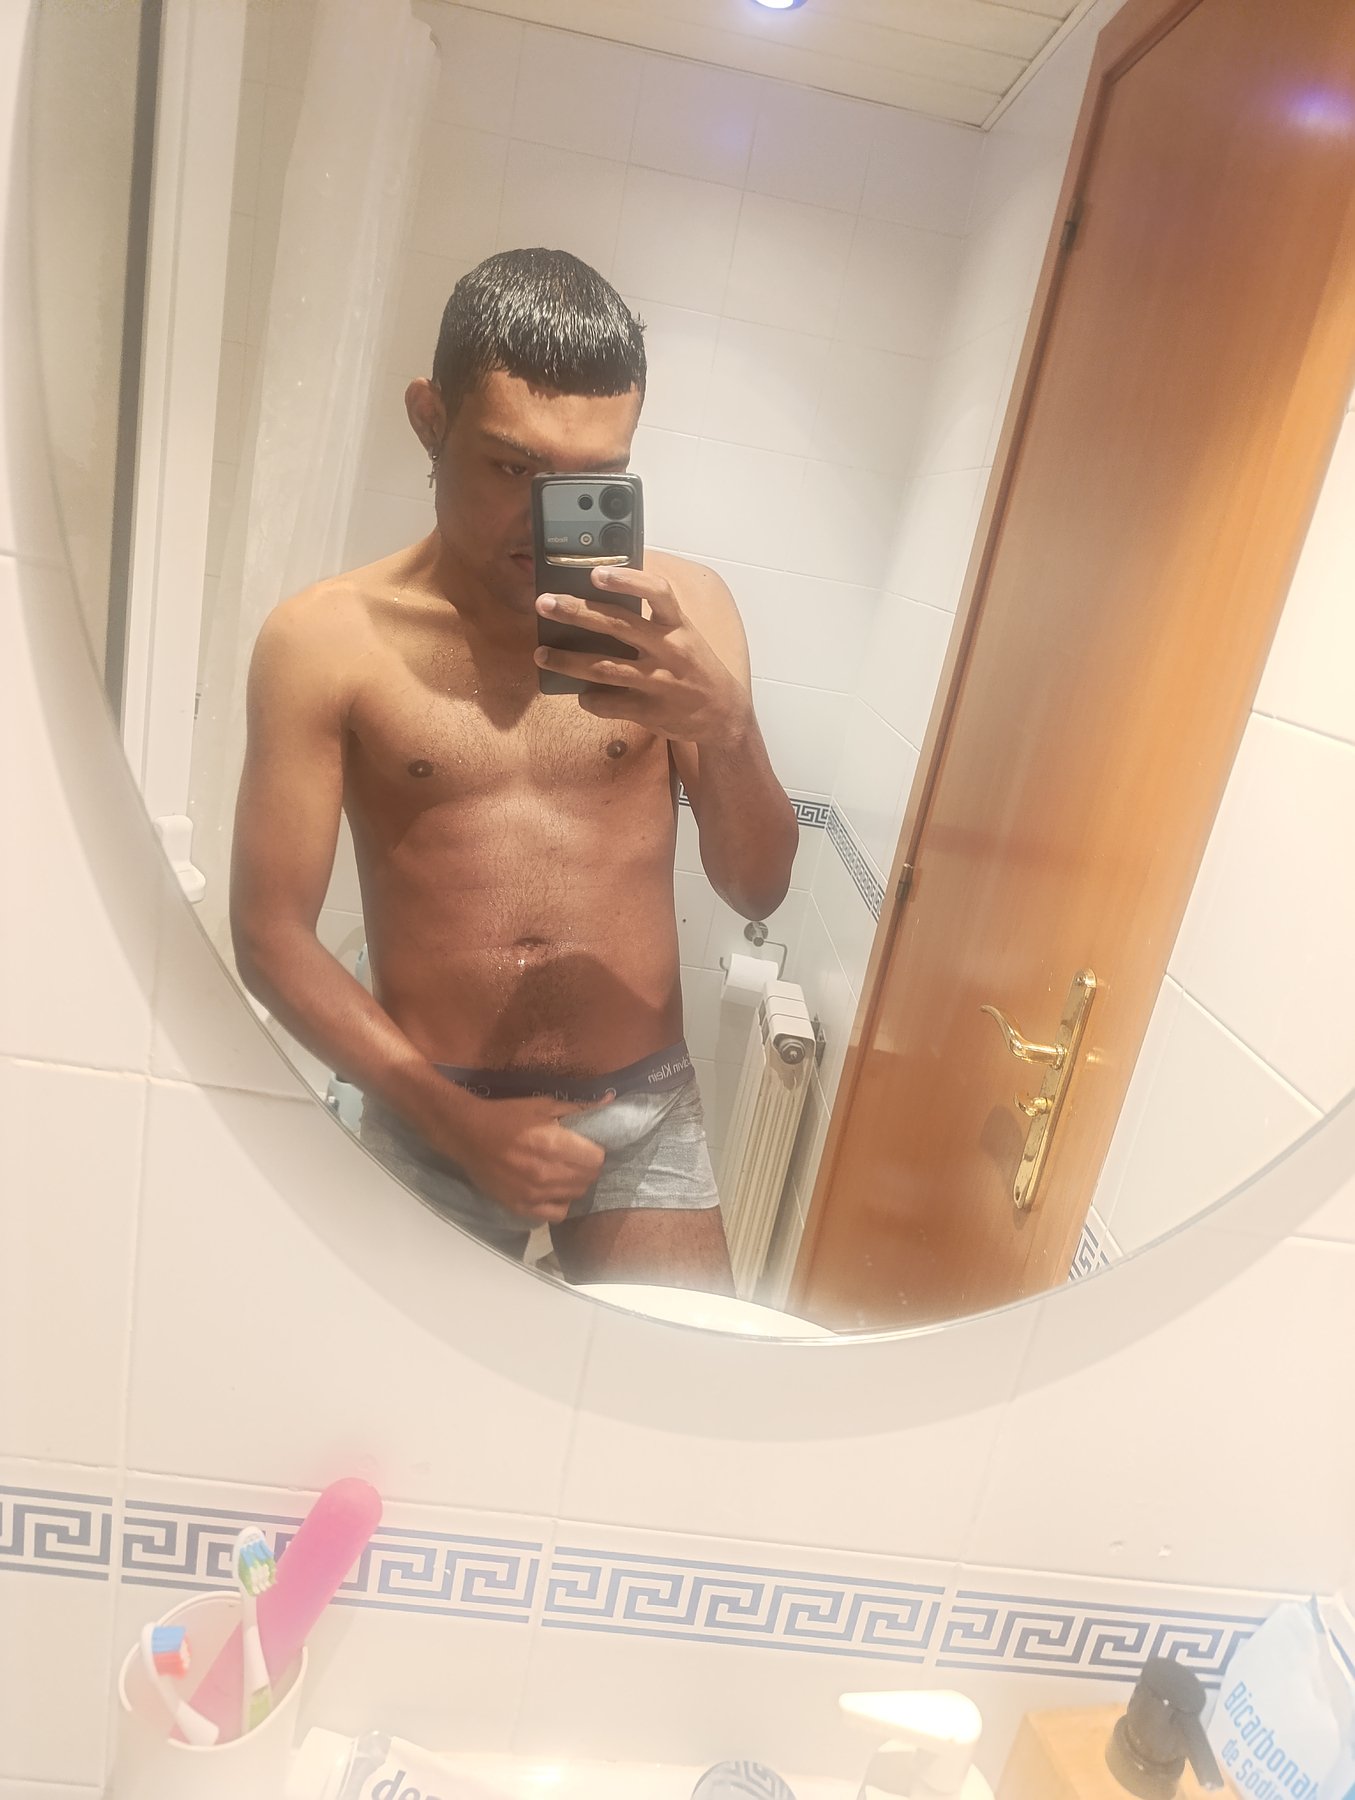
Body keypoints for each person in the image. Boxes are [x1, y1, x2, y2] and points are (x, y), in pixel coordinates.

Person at [230, 248, 798, 1288]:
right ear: (428, 417)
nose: (544, 520)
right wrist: (450, 1120)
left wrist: (726, 729)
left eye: (588, 480)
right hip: (427, 1112)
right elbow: (269, 935)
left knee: (669, 1387)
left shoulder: (689, 616)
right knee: (394, 1392)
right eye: (509, 469)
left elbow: (755, 888)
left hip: (643, 1112)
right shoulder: (324, 643)